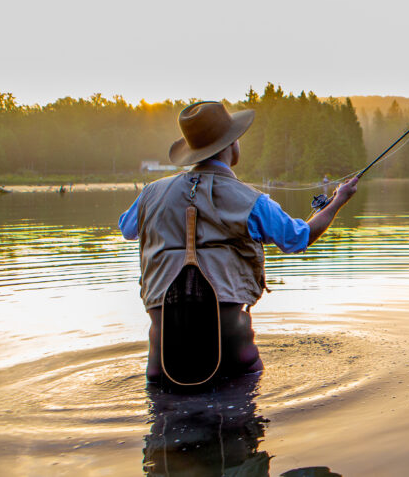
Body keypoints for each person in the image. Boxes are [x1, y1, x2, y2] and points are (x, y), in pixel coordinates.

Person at [119, 101, 358, 384]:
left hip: (161, 366)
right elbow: (298, 238)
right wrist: (338, 201)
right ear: (231, 144)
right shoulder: (251, 200)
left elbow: (128, 229)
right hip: (234, 359)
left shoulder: (150, 194)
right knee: (242, 419)